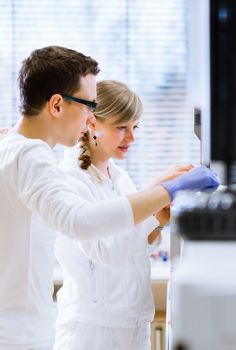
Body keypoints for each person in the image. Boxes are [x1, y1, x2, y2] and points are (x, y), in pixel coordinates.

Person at [0, 46, 218, 349]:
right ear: (57, 105)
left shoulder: (13, 148)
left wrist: (154, 211)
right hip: (25, 335)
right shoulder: (32, 155)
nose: (91, 117)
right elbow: (81, 222)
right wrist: (165, 190)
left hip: (24, 329)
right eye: (89, 105)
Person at [52, 80, 186, 349]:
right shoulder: (70, 180)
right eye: (121, 127)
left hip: (132, 322)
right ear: (91, 123)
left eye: (134, 127)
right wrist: (155, 195)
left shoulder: (120, 177)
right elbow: (107, 251)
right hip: (93, 331)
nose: (131, 137)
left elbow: (132, 243)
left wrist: (157, 223)